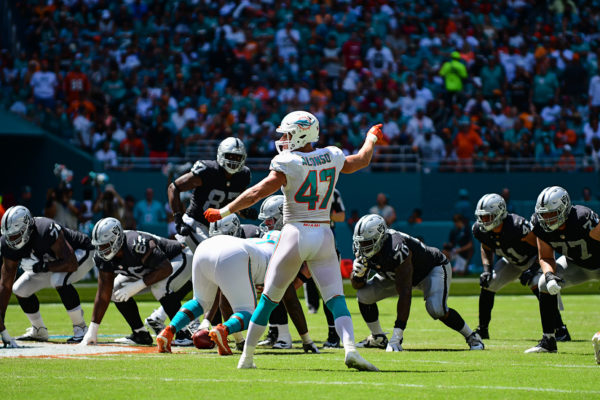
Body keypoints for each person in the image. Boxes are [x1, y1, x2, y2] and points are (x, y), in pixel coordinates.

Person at [204, 110, 382, 371]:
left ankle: (247, 357)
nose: (284, 138)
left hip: (295, 232)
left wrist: (224, 211)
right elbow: (362, 160)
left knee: (268, 299)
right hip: (323, 233)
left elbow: (256, 193)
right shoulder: (331, 155)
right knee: (336, 297)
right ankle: (351, 349)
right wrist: (371, 138)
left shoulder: (288, 162)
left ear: (300, 133)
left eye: (288, 133)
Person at [156, 199, 319, 356]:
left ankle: (168, 331)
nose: (267, 224)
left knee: (199, 302)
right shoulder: (285, 248)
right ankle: (223, 330)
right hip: (235, 254)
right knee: (250, 314)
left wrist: (239, 341)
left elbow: (224, 301)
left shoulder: (260, 240)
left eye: (270, 221)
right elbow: (291, 301)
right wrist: (307, 340)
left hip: (205, 246)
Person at [351, 214, 484, 351]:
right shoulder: (361, 249)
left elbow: (405, 292)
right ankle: (378, 338)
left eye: (367, 243)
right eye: (360, 242)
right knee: (364, 295)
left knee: (437, 309)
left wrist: (397, 336)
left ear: (380, 238)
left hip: (431, 269)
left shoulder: (396, 247)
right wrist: (358, 276)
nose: (362, 247)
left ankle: (472, 337)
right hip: (396, 275)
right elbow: (357, 286)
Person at [80, 218, 193, 346]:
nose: (101, 249)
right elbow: (103, 293)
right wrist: (92, 330)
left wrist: (137, 285)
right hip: (148, 269)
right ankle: (140, 334)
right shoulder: (103, 257)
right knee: (115, 291)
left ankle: (184, 333)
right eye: (99, 245)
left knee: (159, 287)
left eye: (105, 244)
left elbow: (165, 269)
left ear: (116, 239)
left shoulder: (135, 244)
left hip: (178, 258)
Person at [472, 194, 569, 341]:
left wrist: (532, 269)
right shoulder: (480, 230)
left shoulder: (517, 226)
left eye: (488, 217)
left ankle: (560, 328)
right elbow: (485, 247)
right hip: (511, 262)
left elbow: (541, 246)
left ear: (499, 214)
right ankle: (482, 329)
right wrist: (486, 269)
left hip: (533, 260)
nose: (484, 221)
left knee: (539, 284)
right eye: (482, 217)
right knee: (488, 283)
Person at [0, 206, 94, 344]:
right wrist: (1, 325)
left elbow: (71, 263)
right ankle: (39, 331)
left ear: (27, 228)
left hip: (81, 252)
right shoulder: (7, 243)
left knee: (58, 280)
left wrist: (44, 267)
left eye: (16, 235)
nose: (12, 240)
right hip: (51, 262)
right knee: (19, 289)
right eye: (9, 235)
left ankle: (81, 328)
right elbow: (5, 284)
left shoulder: (44, 230)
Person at [526, 187, 600, 356]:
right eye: (543, 214)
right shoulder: (539, 225)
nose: (547, 219)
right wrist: (550, 275)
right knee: (543, 283)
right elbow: (545, 257)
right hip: (575, 265)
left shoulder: (582, 219)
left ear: (565, 208)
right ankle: (549, 341)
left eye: (552, 213)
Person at [167, 137, 254, 253]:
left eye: (238, 157)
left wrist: (244, 211)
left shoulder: (243, 175)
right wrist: (178, 219)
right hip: (196, 223)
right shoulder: (208, 171)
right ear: (221, 154)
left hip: (220, 229)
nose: (234, 161)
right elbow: (173, 188)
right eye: (230, 156)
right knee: (214, 256)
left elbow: (235, 202)